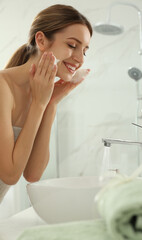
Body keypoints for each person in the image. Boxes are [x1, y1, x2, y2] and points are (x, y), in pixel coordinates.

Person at [0, 4, 92, 202]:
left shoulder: (39, 95)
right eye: (72, 45)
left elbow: (33, 174)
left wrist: (50, 104)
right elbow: (9, 175)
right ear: (41, 40)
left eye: (85, 50)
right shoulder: (2, 86)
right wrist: (39, 105)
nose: (80, 59)